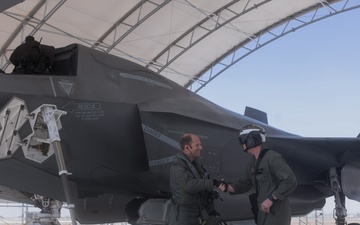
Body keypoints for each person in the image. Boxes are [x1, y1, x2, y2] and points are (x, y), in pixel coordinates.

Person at [218, 124, 297, 225]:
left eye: (243, 140)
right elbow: (245, 183)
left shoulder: (272, 158)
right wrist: (228, 187)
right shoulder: (253, 163)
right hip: (263, 213)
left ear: (253, 139)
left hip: (276, 213)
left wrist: (270, 199)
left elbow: (290, 180)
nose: (242, 144)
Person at [168, 133, 223, 225]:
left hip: (196, 214)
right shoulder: (178, 167)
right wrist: (213, 182)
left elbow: (204, 191)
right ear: (187, 148)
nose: (200, 147)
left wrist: (211, 211)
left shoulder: (197, 166)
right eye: (197, 145)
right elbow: (190, 185)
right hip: (183, 216)